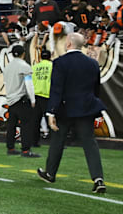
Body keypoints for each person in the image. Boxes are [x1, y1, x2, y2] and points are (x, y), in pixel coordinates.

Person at [37, 33, 107, 193]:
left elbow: (56, 89)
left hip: (65, 108)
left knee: (57, 141)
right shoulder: (92, 63)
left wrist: (50, 113)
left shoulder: (60, 63)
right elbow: (96, 89)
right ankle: (98, 178)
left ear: (68, 43)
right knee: (90, 143)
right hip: (86, 107)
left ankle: (50, 173)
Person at [3, 45, 40, 157]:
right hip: (21, 99)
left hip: (11, 99)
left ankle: (10, 147)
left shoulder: (7, 67)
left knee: (11, 125)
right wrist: (32, 99)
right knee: (26, 125)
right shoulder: (24, 66)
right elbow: (28, 83)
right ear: (23, 53)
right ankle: (25, 150)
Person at [32, 49, 52, 147]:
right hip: (47, 96)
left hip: (36, 96)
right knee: (51, 120)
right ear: (50, 57)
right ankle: (56, 143)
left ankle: (34, 142)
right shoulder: (52, 66)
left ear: (41, 57)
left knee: (35, 121)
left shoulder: (35, 67)